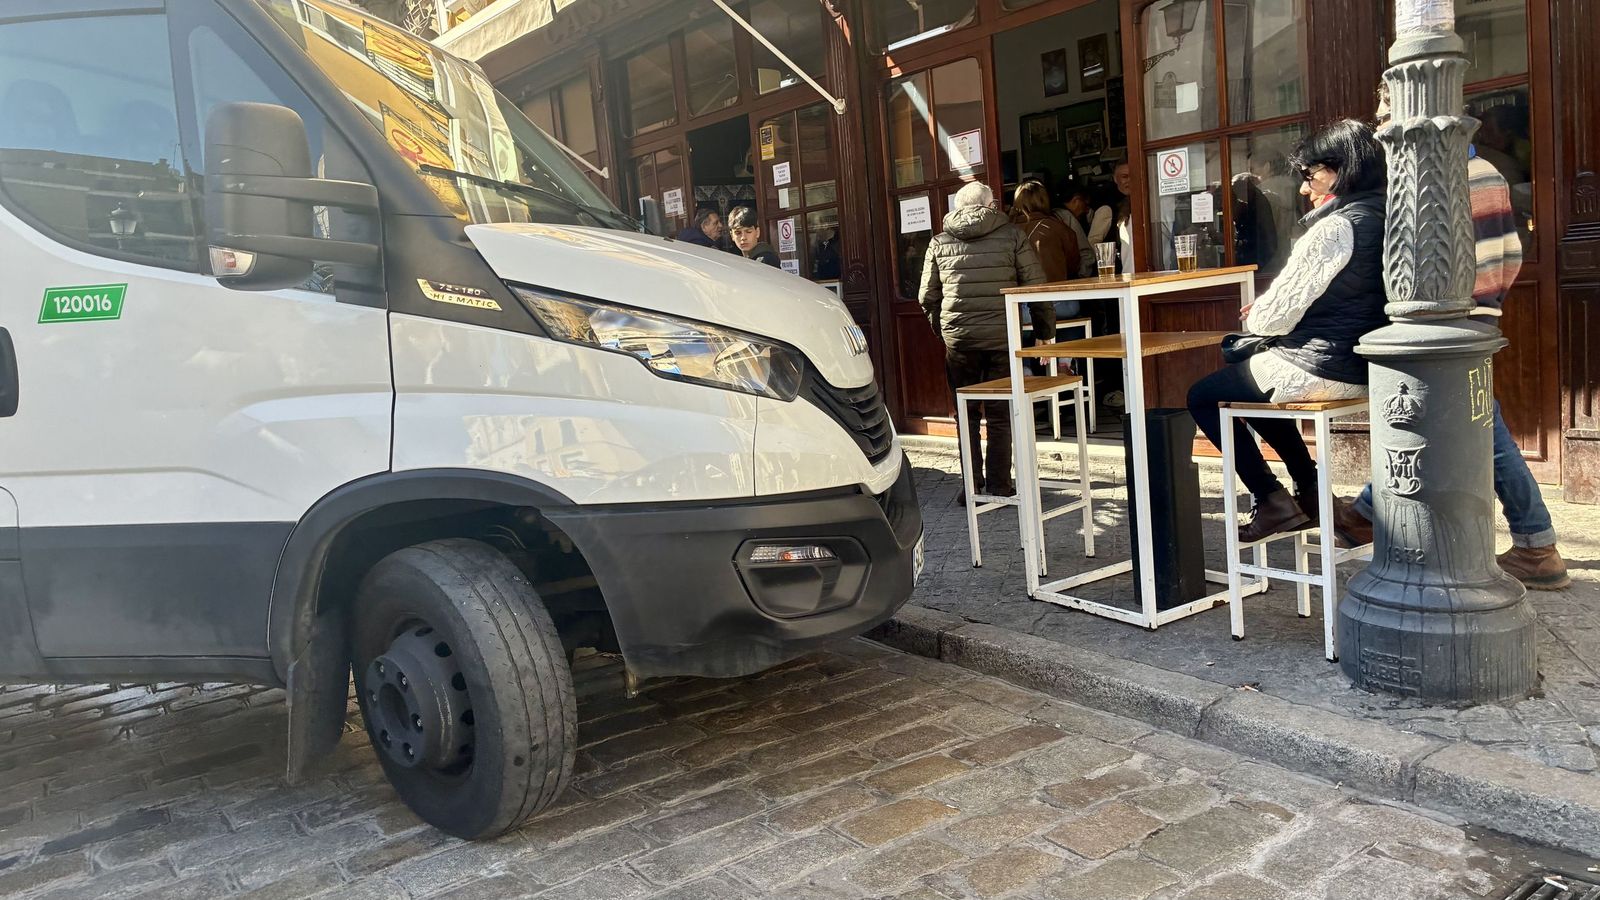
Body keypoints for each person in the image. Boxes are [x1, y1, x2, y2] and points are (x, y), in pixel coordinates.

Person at [1334, 87, 1570, 589]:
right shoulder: (1482, 171)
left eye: (1385, 115)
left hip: (1450, 320)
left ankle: (1536, 542)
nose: (1379, 128)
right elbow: (1511, 253)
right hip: (1474, 318)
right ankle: (1370, 511)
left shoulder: (1435, 178)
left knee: (1473, 425)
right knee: (1465, 419)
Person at [1187, 119, 1390, 542]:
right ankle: (1313, 492)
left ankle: (1271, 497)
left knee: (1203, 395)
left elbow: (1269, 320)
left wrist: (1261, 311)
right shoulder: (1390, 213)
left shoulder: (1335, 228)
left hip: (1323, 366)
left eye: (1310, 173)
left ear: (1340, 169)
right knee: (1252, 380)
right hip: (1369, 364)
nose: (1304, 186)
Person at [921, 181, 1050, 498]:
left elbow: (926, 296)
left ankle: (970, 488)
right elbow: (1035, 287)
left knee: (965, 415)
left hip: (960, 342)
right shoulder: (1013, 235)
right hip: (1002, 339)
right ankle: (999, 485)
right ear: (991, 206)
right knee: (999, 414)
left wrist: (946, 331)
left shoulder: (939, 242)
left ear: (957, 207)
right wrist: (1044, 333)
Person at [1054, 180, 1098, 276]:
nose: (1086, 210)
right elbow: (1087, 255)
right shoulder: (1067, 217)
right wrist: (1081, 276)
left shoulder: (1050, 217)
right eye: (1085, 204)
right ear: (1076, 200)